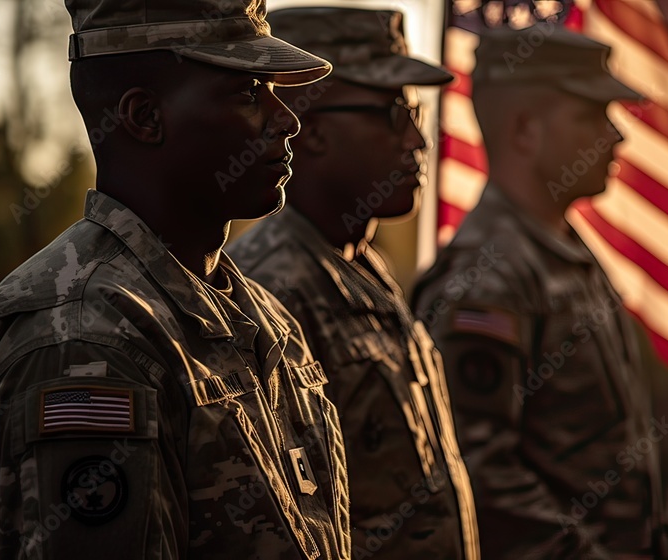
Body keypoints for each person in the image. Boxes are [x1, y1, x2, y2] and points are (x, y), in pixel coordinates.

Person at [0, 1, 353, 558]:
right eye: (249, 92)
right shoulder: (83, 339)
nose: (287, 118)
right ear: (144, 117)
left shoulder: (259, 315)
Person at [412, 25, 668, 559]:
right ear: (524, 130)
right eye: (591, 115)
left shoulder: (565, 253)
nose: (617, 135)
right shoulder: (487, 278)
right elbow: (482, 476)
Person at [228, 8, 478, 559]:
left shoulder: (362, 266)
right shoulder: (272, 290)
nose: (418, 138)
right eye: (392, 112)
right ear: (310, 131)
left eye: (416, 110)